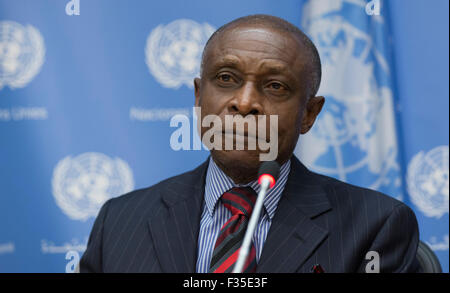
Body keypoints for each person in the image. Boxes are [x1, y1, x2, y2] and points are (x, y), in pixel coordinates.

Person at [80, 14, 420, 273]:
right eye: (226, 79)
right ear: (199, 97)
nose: (244, 103)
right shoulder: (120, 221)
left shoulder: (376, 226)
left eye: (275, 86)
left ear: (309, 114)